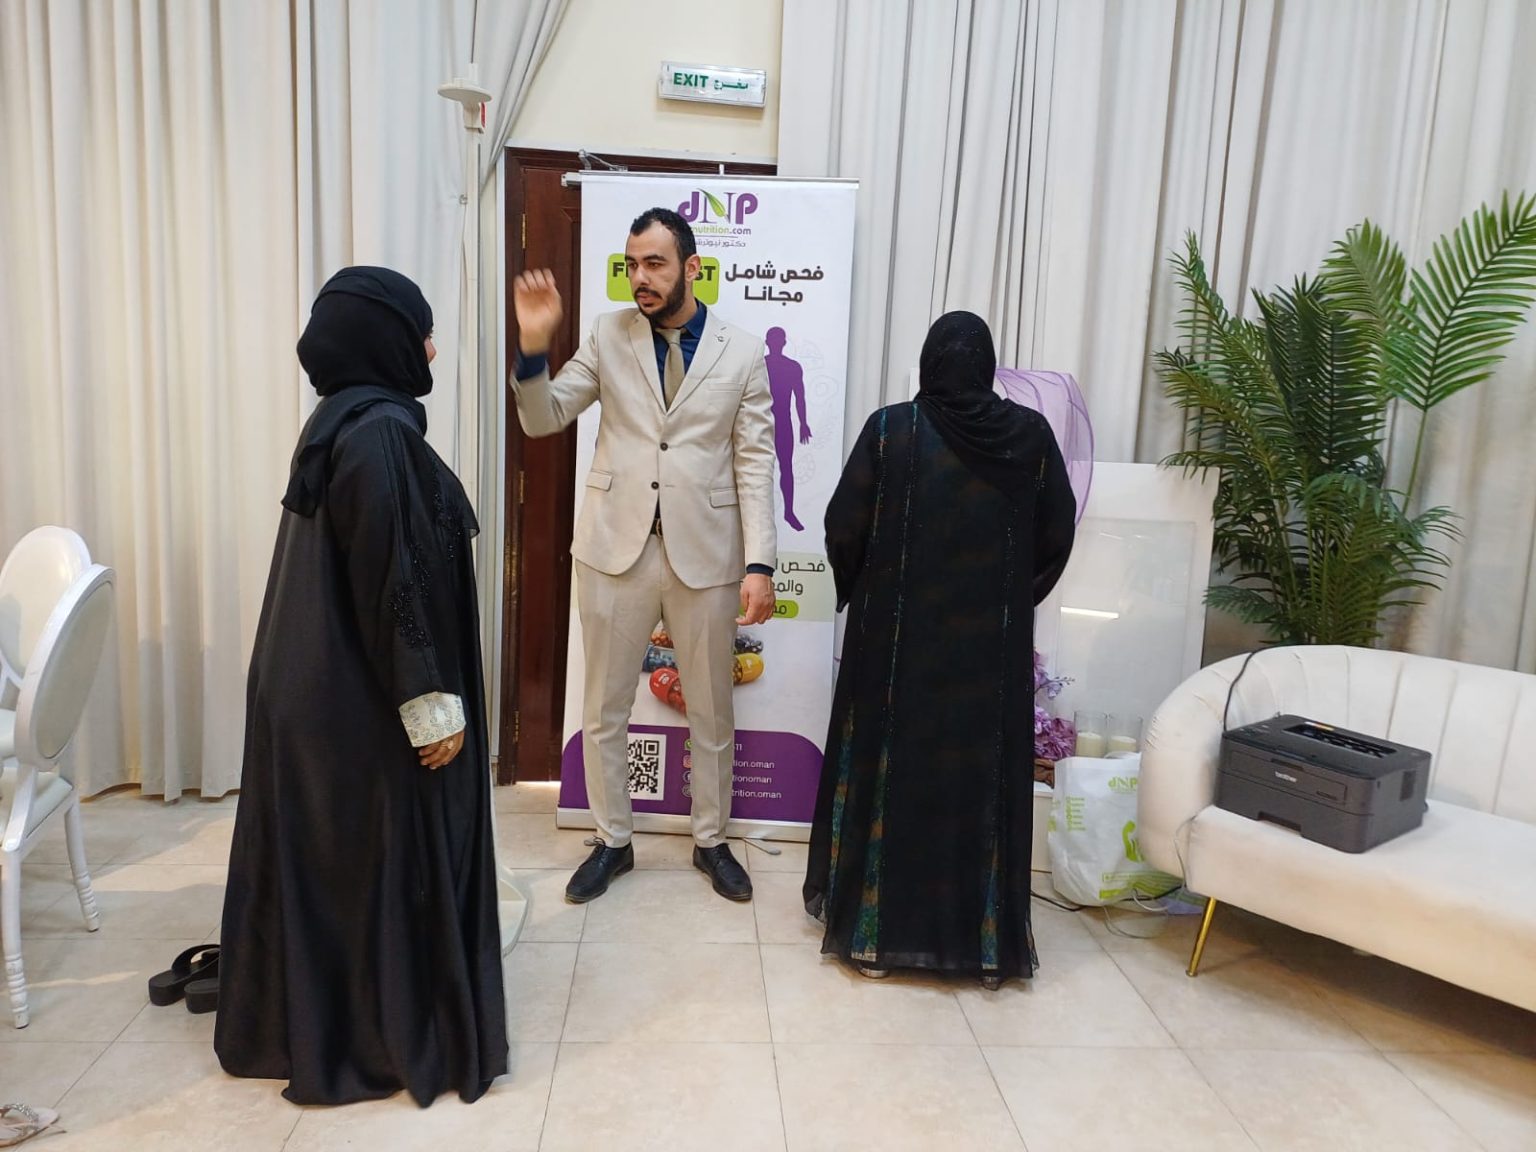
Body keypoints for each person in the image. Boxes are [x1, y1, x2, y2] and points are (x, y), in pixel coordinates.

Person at [216, 267, 508, 1106]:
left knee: (337, 868)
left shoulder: (345, 417)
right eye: (422, 332)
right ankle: (381, 1035)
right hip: (355, 700)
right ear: (386, 340)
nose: (432, 349)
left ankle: (324, 1020)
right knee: (380, 861)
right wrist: (430, 704)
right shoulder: (379, 431)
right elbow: (393, 579)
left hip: (316, 688)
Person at [802, 310, 1077, 989]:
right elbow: (1057, 533)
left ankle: (874, 942)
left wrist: (864, 587)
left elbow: (842, 526)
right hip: (988, 656)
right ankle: (982, 951)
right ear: (986, 365)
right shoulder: (1030, 437)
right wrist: (1012, 597)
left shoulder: (891, 430)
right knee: (974, 787)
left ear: (929, 363)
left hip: (895, 653)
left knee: (891, 777)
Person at [511, 207, 776, 904]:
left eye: (655, 263)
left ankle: (711, 840)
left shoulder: (744, 352)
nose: (641, 278)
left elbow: (755, 463)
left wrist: (760, 563)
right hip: (613, 551)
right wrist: (533, 349)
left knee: (711, 710)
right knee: (604, 707)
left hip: (706, 556)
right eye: (632, 265)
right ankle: (613, 841)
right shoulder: (607, 334)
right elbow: (543, 417)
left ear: (692, 267)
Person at [764, 326, 811, 531]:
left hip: (782, 422)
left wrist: (803, 423)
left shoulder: (792, 367)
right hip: (761, 422)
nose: (776, 344)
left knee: (786, 467)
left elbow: (800, 397)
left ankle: (789, 512)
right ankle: (761, 514)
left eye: (778, 340)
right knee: (758, 468)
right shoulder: (759, 366)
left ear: (783, 343)